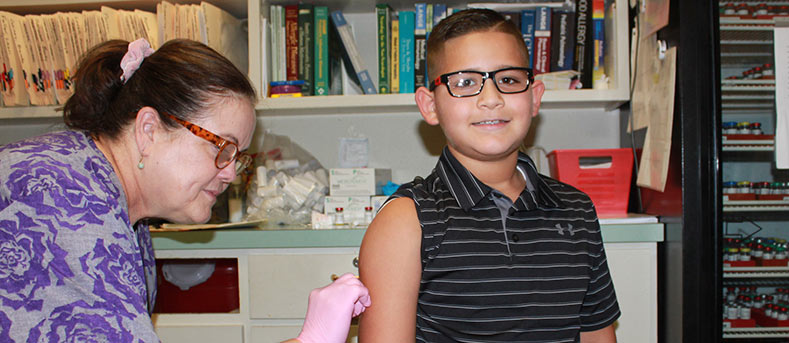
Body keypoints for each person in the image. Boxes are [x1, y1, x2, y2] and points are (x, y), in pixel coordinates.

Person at [0, 38, 369, 342]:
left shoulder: (119, 208)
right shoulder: (64, 202)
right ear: (148, 130)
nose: (230, 175)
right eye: (220, 147)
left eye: (237, 157)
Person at [358, 9, 620, 342]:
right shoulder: (406, 221)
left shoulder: (577, 209)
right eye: (465, 82)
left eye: (508, 79)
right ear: (430, 106)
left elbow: (598, 334)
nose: (491, 99)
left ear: (535, 96)